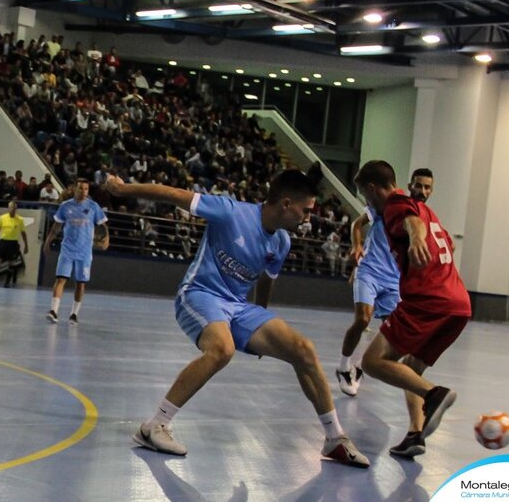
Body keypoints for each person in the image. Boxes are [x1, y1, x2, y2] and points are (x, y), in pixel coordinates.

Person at [105, 164, 370, 468]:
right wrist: (124, 190)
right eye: (306, 210)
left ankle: (335, 438)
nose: (308, 218)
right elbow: (174, 195)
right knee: (222, 349)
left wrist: (263, 322)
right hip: (200, 294)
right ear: (286, 204)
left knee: (303, 350)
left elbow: (266, 280)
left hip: (239, 307)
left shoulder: (282, 241)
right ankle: (154, 426)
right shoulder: (231, 212)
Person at [356, 161, 470, 460]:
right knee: (410, 368)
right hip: (458, 304)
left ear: (371, 189)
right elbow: (447, 245)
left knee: (372, 361)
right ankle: (415, 435)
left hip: (427, 301)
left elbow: (411, 224)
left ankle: (435, 395)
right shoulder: (429, 211)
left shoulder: (395, 204)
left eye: (365, 197)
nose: (367, 203)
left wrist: (416, 238)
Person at [336, 168, 434, 398]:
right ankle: (343, 367)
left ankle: (359, 368)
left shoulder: (426, 215)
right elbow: (357, 225)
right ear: (409, 185)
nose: (422, 191)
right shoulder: (389, 204)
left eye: (427, 187)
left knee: (398, 336)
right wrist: (357, 247)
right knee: (363, 318)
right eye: (418, 185)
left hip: (394, 280)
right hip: (369, 271)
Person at [42, 178, 108, 325]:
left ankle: (74, 314)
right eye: (80, 188)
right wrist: (47, 242)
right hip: (67, 249)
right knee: (60, 279)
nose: (83, 191)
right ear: (75, 189)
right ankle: (54, 311)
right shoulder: (65, 206)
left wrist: (106, 238)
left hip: (84, 252)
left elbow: (103, 226)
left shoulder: (93, 206)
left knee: (80, 284)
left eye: (86, 189)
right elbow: (56, 227)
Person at [0, 201, 30, 288]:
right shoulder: (2, 218)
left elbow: (23, 233)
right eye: (11, 207)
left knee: (11, 263)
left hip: (13, 243)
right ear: (8, 208)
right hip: (3, 242)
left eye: (15, 208)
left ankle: (7, 283)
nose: (13, 209)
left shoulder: (20, 220)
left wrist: (26, 245)